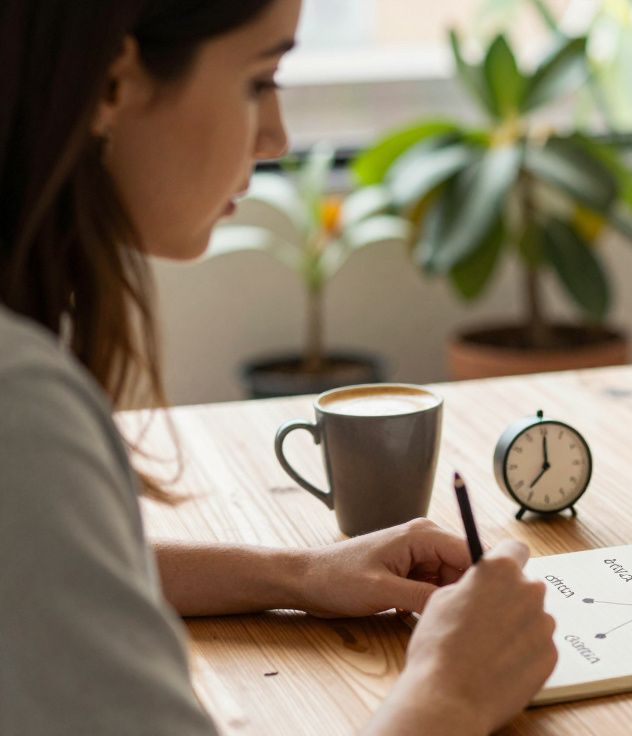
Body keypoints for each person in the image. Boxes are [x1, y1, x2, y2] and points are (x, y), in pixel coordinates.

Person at [0, 1, 555, 733]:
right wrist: (450, 694)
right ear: (112, 84)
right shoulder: (20, 405)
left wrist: (298, 574)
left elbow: (42, 571)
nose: (277, 138)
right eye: (260, 80)